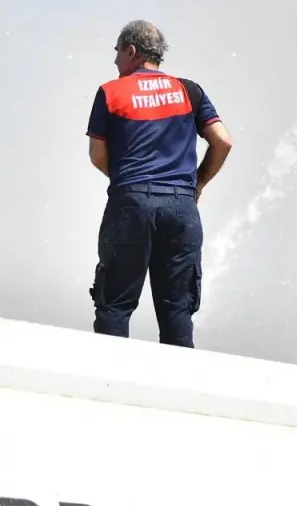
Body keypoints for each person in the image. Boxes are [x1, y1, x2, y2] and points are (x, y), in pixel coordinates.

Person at [85, 20, 234, 348]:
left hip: (131, 202)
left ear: (132, 51)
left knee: (114, 305)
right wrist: (197, 184)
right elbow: (223, 141)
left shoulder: (111, 91)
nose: (115, 62)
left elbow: (97, 155)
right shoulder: (189, 90)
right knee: (177, 311)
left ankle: (111, 386)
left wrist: (131, 182)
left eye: (117, 53)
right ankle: (180, 395)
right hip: (181, 207)